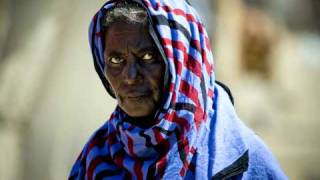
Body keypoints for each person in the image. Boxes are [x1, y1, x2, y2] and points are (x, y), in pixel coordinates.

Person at [69, 0, 287, 179]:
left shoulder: (243, 161)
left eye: (148, 57)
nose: (130, 76)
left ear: (183, 62)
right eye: (116, 60)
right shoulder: (95, 158)